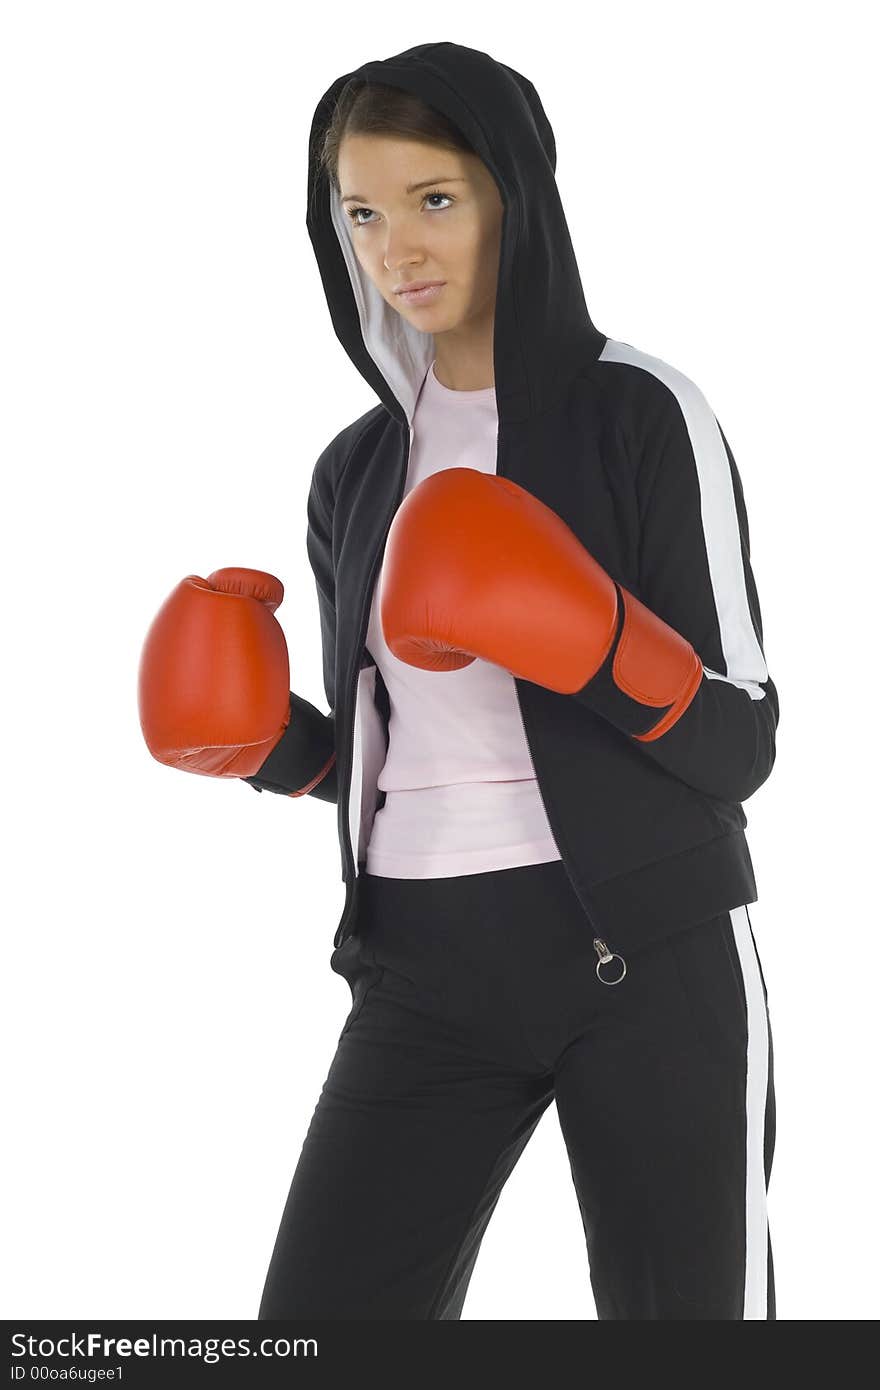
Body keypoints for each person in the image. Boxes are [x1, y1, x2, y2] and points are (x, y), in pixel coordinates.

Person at [139, 41, 780, 1320]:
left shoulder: (640, 413)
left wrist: (588, 636)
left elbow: (742, 742)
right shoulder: (356, 469)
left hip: (639, 951)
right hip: (422, 967)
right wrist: (270, 745)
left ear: (515, 199)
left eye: (434, 199)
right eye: (361, 212)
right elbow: (388, 759)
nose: (394, 248)